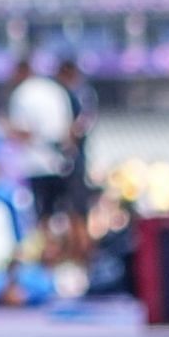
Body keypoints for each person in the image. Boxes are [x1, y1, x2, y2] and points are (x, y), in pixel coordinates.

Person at [6, 56, 73, 250]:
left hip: (37, 163)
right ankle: (68, 255)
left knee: (42, 217)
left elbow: (22, 132)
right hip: (61, 161)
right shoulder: (55, 90)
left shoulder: (22, 94)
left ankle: (48, 257)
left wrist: (4, 130)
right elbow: (68, 130)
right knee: (65, 214)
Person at [55, 56, 98, 260]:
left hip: (74, 161)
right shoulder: (61, 93)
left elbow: (80, 127)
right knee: (65, 213)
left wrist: (64, 139)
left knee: (78, 213)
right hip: (62, 162)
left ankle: (83, 257)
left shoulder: (80, 94)